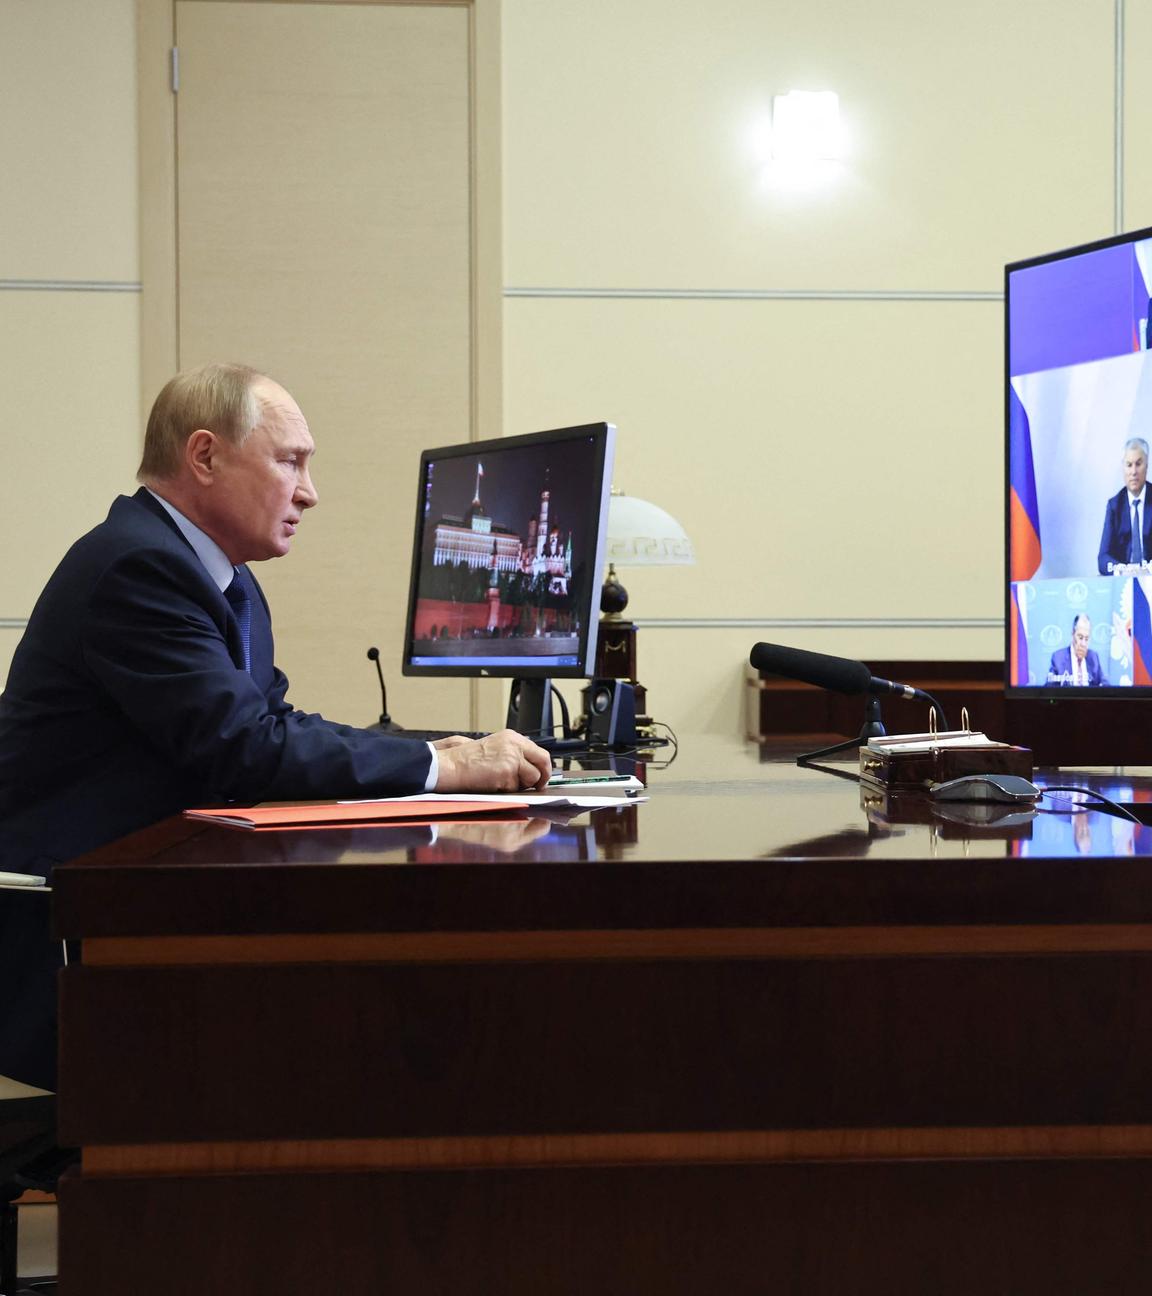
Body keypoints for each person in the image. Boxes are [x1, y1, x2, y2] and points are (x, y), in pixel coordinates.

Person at [0, 363, 552, 879]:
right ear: (205, 457)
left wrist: (434, 755)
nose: (309, 494)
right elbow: (246, 749)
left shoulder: (224, 577)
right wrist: (443, 767)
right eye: (290, 461)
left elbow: (270, 720)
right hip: (69, 915)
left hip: (149, 883)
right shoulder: (138, 568)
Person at [1098, 437, 1152, 574]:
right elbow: (1103, 557)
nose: (1134, 472)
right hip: (1124, 583)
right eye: (1129, 465)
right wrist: (1121, 569)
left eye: (1138, 464)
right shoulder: (1114, 506)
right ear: (1123, 468)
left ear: (1147, 465)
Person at [1046, 614, 1108, 687]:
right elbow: (1049, 689)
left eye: (1086, 639)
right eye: (1080, 638)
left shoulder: (1093, 657)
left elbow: (1105, 685)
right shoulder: (1058, 658)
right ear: (1073, 634)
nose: (1083, 644)